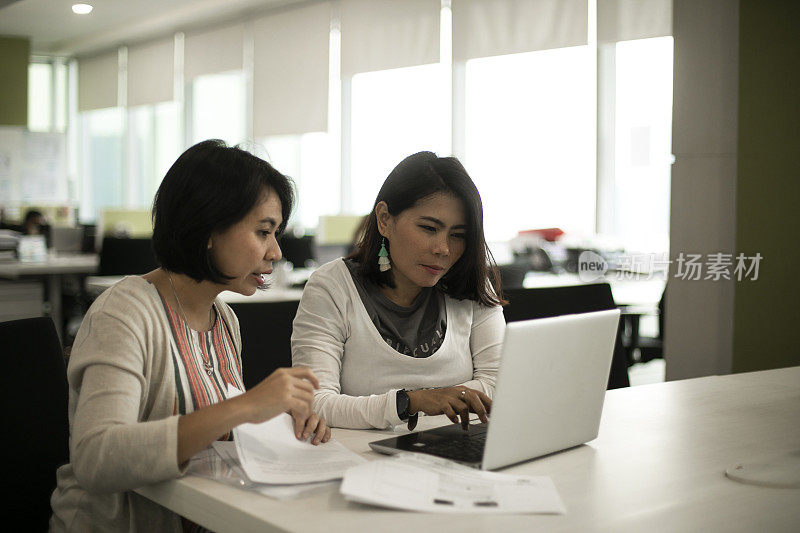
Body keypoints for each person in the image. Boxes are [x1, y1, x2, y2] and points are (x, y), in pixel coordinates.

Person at [50, 140, 329, 532]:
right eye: (263, 232)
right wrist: (247, 406)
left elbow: (210, 429)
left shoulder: (225, 319)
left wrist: (278, 420)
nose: (276, 252)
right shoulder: (125, 312)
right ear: (209, 229)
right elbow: (96, 458)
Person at [292, 151, 506, 430]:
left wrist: (432, 399)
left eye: (458, 235)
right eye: (429, 228)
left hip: (453, 451)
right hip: (362, 461)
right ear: (384, 219)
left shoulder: (471, 286)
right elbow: (315, 403)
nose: (443, 249)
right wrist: (412, 401)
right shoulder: (332, 287)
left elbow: (499, 384)